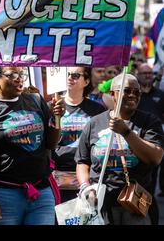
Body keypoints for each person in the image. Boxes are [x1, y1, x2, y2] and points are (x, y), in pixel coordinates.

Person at [0, 66, 65, 225]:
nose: (19, 78)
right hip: (6, 195)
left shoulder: (35, 100)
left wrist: (57, 118)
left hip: (41, 191)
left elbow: (51, 144)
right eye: (12, 74)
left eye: (22, 74)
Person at [75, 74, 164, 225]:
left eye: (137, 92)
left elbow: (155, 157)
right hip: (101, 205)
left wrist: (126, 132)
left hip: (134, 205)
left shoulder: (149, 122)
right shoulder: (94, 123)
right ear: (113, 94)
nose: (132, 95)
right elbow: (82, 161)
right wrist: (85, 187)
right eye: (127, 90)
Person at [52, 67, 105, 202]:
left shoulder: (97, 110)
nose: (70, 78)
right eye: (67, 74)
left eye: (75, 75)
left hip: (87, 174)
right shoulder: (52, 107)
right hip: (57, 174)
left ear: (86, 81)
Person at [136, 64, 164, 199]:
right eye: (144, 73)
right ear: (138, 75)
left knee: (154, 172)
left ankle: (150, 201)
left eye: (150, 73)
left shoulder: (160, 95)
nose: (147, 75)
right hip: (137, 138)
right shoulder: (134, 95)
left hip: (157, 139)